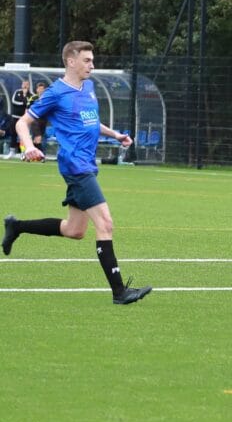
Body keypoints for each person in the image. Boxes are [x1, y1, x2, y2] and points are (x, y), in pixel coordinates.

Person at [2, 40, 152, 305]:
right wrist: (27, 147)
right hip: (76, 167)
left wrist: (115, 134)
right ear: (70, 61)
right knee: (105, 223)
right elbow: (23, 123)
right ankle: (119, 292)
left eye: (92, 60)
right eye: (87, 60)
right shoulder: (56, 93)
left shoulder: (89, 87)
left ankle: (17, 226)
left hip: (87, 165)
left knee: (74, 230)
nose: (92, 65)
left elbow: (92, 122)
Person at [4, 80, 32, 159]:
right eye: (24, 84)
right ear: (21, 85)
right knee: (13, 134)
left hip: (24, 119)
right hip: (15, 117)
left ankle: (23, 153)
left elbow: (29, 104)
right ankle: (12, 152)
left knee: (23, 136)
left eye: (27, 84)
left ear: (29, 85)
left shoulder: (31, 95)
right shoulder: (17, 92)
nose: (25, 86)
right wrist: (24, 102)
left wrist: (25, 96)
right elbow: (14, 102)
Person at [27, 81, 49, 155]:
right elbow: (27, 109)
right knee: (38, 137)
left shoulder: (47, 98)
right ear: (37, 90)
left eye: (42, 89)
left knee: (37, 139)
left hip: (44, 120)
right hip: (35, 120)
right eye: (39, 89)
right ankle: (41, 154)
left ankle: (32, 154)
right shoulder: (33, 98)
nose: (41, 90)